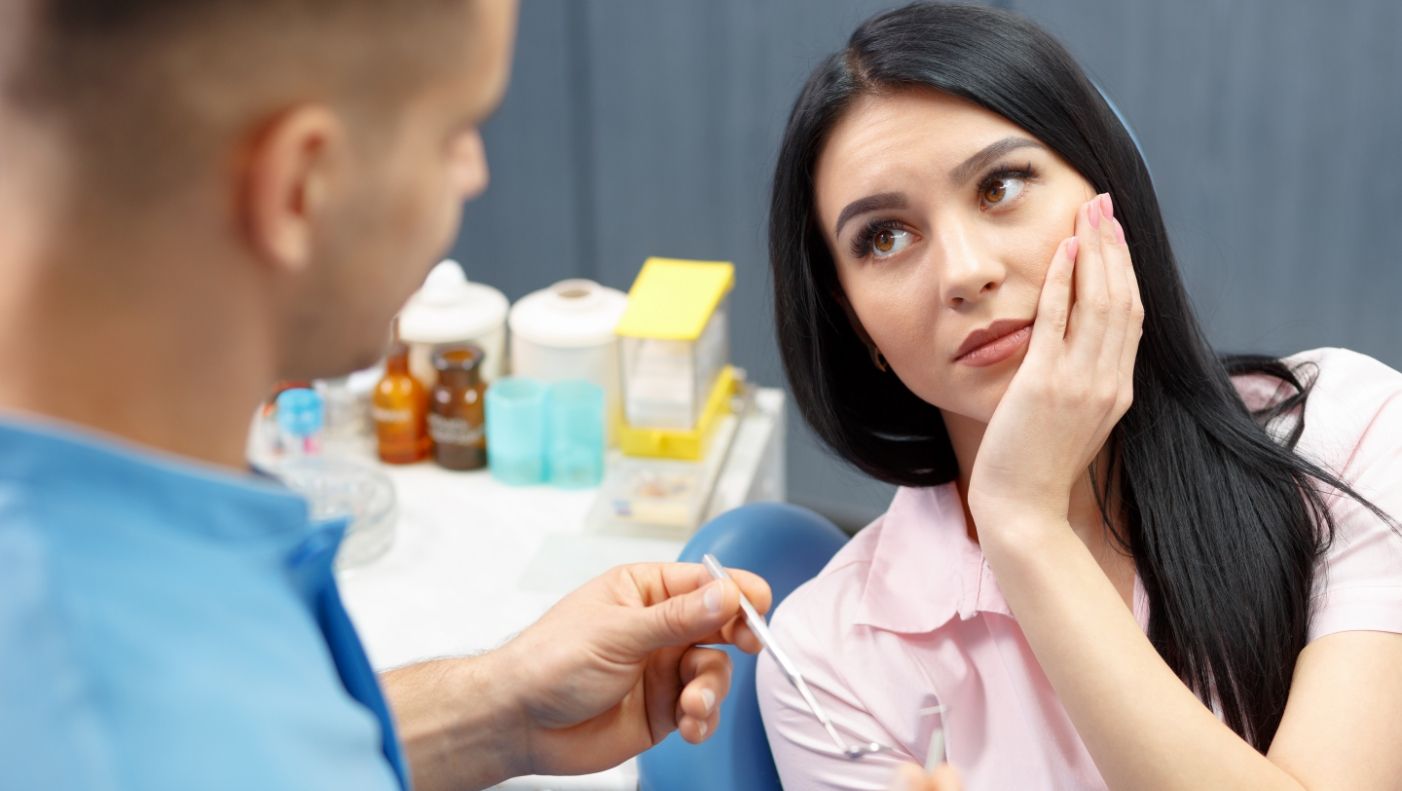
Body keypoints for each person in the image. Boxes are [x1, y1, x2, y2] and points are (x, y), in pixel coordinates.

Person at [0, 2, 781, 790]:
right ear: (302, 188)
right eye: (453, 131)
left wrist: (497, 709)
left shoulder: (129, 559)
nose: (475, 172)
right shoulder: (103, 719)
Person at [757, 3, 1402, 790]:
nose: (965, 271)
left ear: (1111, 190)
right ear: (856, 323)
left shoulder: (1348, 427)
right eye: (884, 237)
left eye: (1001, 184)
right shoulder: (825, 663)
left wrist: (1024, 520)